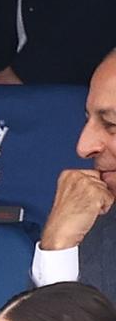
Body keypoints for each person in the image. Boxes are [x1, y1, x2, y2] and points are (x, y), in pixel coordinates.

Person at [31, 49, 116, 302]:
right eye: (87, 119)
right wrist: (58, 250)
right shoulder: (94, 226)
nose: (83, 146)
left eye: (111, 124)